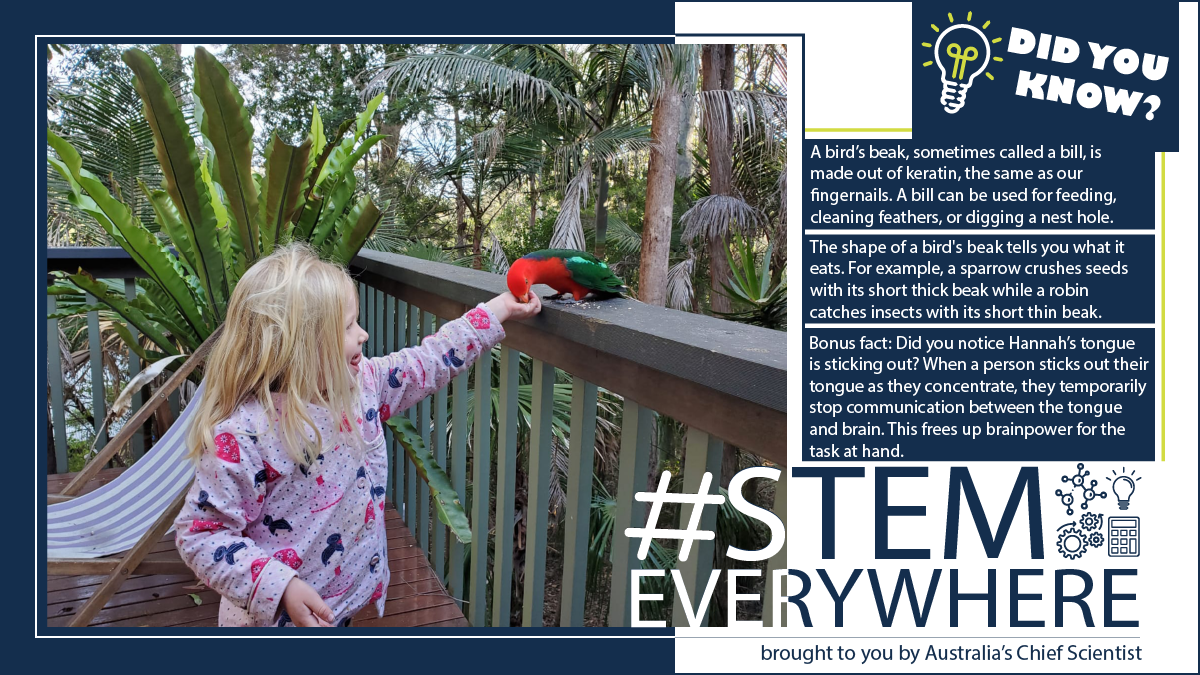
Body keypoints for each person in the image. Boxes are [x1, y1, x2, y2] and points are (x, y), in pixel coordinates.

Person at [173, 243, 541, 626]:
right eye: (348, 326)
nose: (363, 334)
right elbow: (201, 535)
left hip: (338, 605)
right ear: (299, 345)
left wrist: (498, 310)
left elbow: (427, 361)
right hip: (274, 620)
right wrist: (278, 586)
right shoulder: (245, 436)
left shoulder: (363, 384)